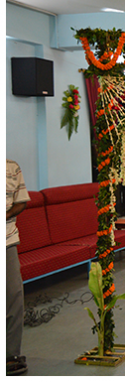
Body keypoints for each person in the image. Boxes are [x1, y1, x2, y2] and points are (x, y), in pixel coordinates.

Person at [6, 159, 30, 376]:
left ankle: (10, 355)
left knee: (13, 296)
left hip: (7, 240)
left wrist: (5, 215)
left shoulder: (12, 167)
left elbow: (21, 202)